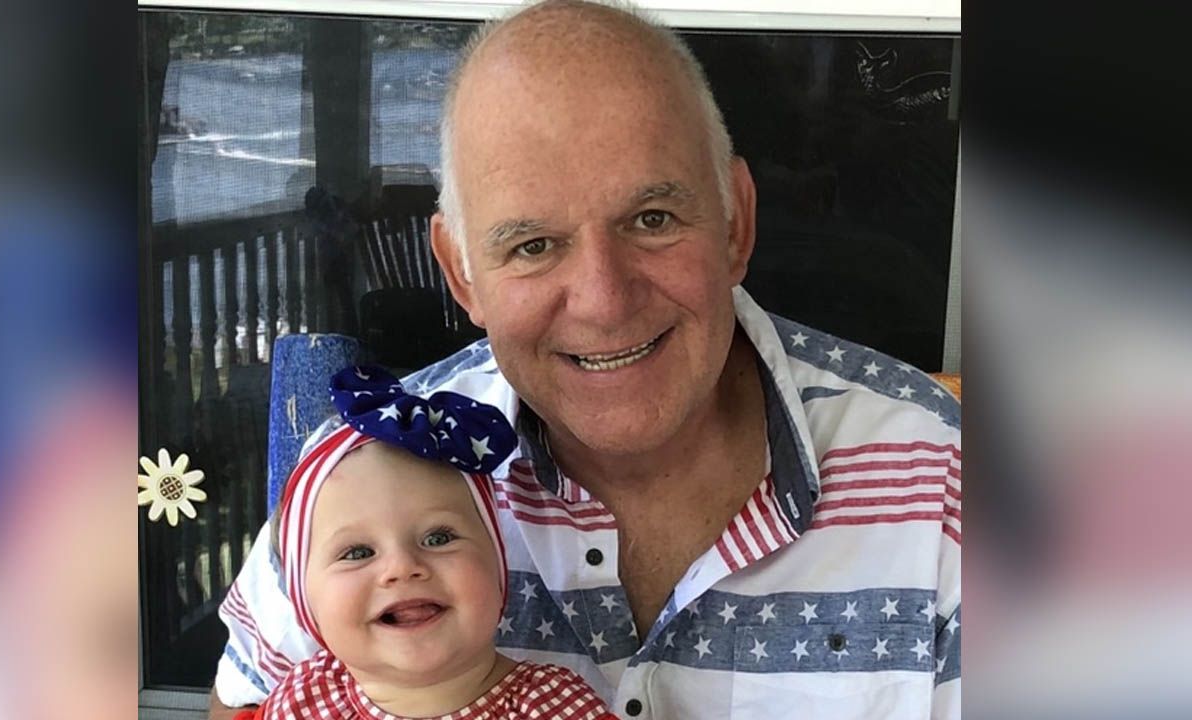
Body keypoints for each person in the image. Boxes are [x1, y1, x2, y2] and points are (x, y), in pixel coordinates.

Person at [212, 2, 960, 718]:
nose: (604, 300)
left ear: (736, 220)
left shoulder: (950, 485)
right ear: (462, 271)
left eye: (652, 219)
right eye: (532, 245)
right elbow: (245, 703)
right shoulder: (358, 483)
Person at [234, 366, 616, 719]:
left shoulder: (555, 708)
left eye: (438, 537)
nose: (402, 566)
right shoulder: (300, 703)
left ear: (498, 567)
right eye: (357, 552)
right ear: (304, 601)